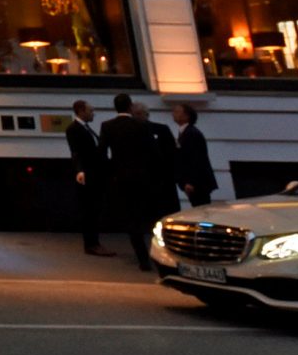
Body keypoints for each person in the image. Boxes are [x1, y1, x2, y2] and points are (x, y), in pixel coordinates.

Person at [97, 93, 162, 270]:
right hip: (142, 176)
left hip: (122, 178)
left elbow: (102, 152)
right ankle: (157, 254)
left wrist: (112, 170)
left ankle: (142, 257)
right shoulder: (140, 125)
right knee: (147, 215)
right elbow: (154, 152)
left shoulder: (108, 126)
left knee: (131, 218)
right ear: (130, 106)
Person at [64, 99, 112, 257]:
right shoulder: (74, 129)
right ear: (81, 111)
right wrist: (80, 170)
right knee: (89, 209)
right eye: (90, 111)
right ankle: (91, 243)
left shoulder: (86, 128)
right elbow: (75, 151)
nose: (93, 113)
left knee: (94, 209)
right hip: (88, 174)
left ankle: (94, 242)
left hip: (94, 173)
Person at [170, 103, 217, 210]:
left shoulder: (191, 133)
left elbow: (196, 158)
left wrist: (190, 181)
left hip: (197, 183)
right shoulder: (186, 132)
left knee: (201, 209)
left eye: (177, 112)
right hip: (196, 182)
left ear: (187, 116)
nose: (173, 114)